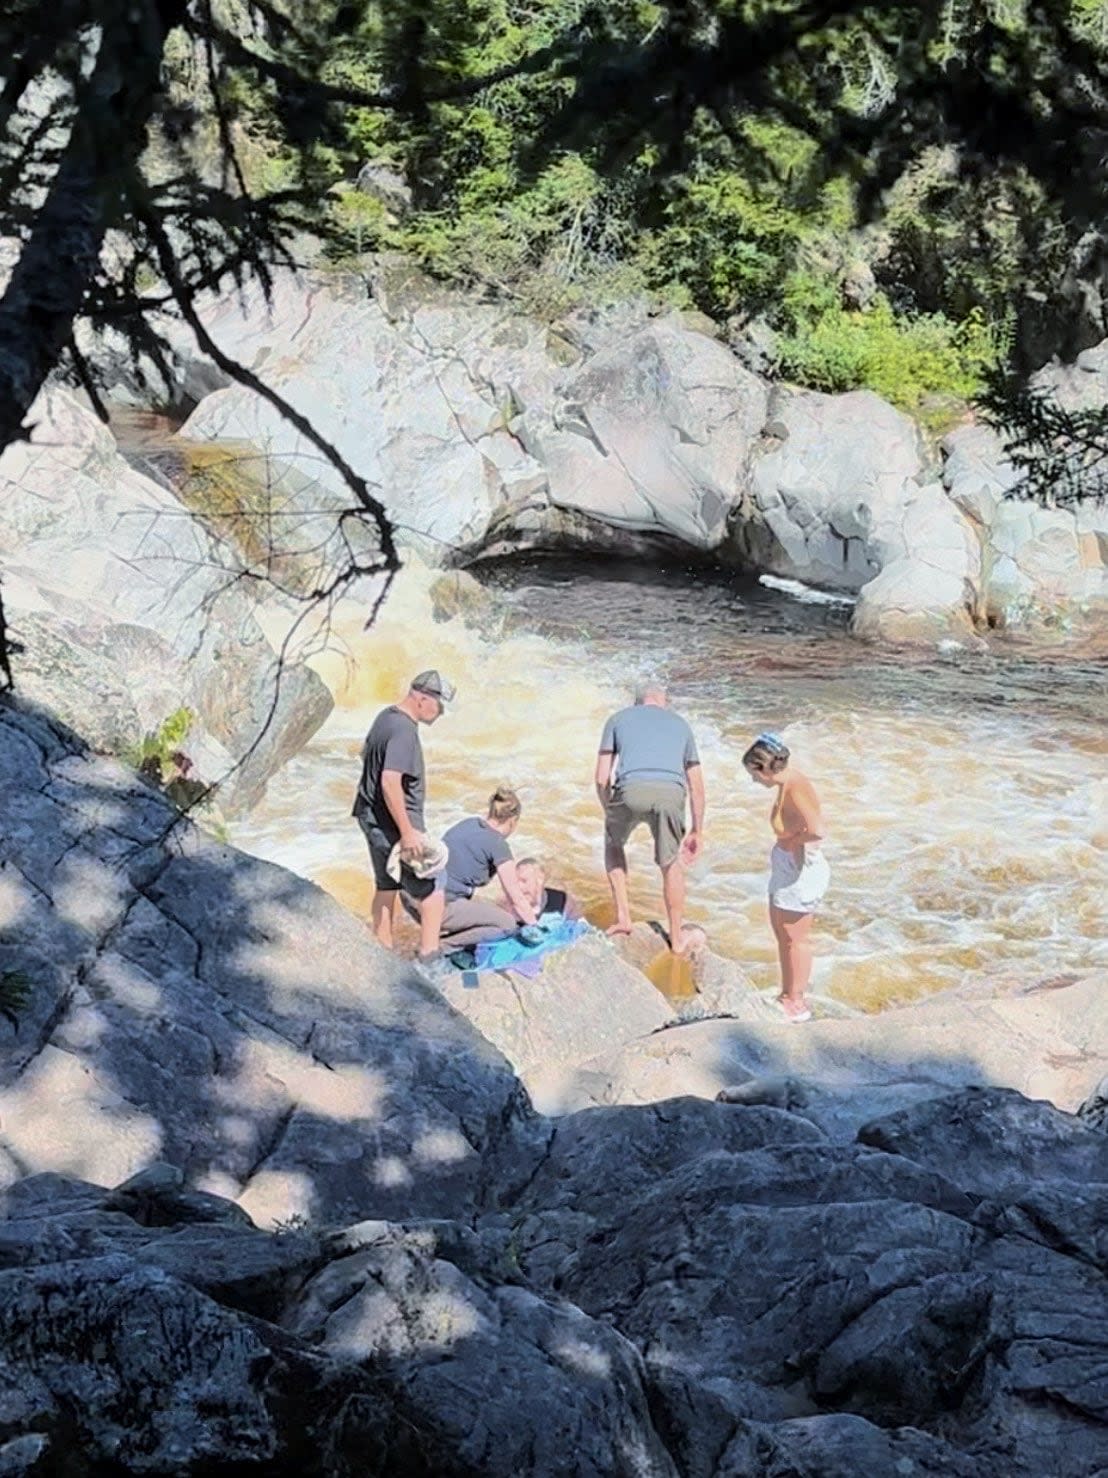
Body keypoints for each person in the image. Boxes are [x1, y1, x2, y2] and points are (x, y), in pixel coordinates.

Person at [595, 680, 705, 953]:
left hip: (630, 790)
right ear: (663, 702)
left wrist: (609, 808)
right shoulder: (681, 724)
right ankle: (677, 938)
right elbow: (697, 786)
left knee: (614, 844)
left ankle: (623, 917)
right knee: (671, 864)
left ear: (637, 702)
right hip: (671, 794)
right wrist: (697, 831)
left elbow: (601, 777)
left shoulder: (617, 719)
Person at [352, 669, 455, 960]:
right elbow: (389, 780)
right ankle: (429, 956)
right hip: (394, 827)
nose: (442, 712)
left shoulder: (385, 717)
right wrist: (408, 832)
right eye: (440, 704)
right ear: (422, 698)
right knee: (434, 887)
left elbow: (366, 757)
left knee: (387, 885)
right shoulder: (404, 731)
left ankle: (382, 949)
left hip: (371, 817)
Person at [742, 731, 830, 1023]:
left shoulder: (794, 785)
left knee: (796, 938)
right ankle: (787, 994)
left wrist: (791, 841)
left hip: (800, 868)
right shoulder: (788, 782)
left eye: (754, 775)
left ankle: (797, 1002)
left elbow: (816, 829)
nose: (755, 781)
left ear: (762, 767)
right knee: (784, 935)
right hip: (789, 867)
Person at [418, 786, 540, 951]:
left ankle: (433, 938)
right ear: (513, 821)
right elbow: (516, 898)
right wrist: (535, 926)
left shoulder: (468, 823)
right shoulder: (498, 845)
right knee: (507, 924)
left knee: (476, 909)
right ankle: (441, 948)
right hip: (438, 906)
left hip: (415, 896)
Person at [515, 858, 584, 922]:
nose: (520, 887)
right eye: (516, 882)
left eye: (524, 881)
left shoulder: (563, 901)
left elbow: (582, 929)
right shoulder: (510, 907)